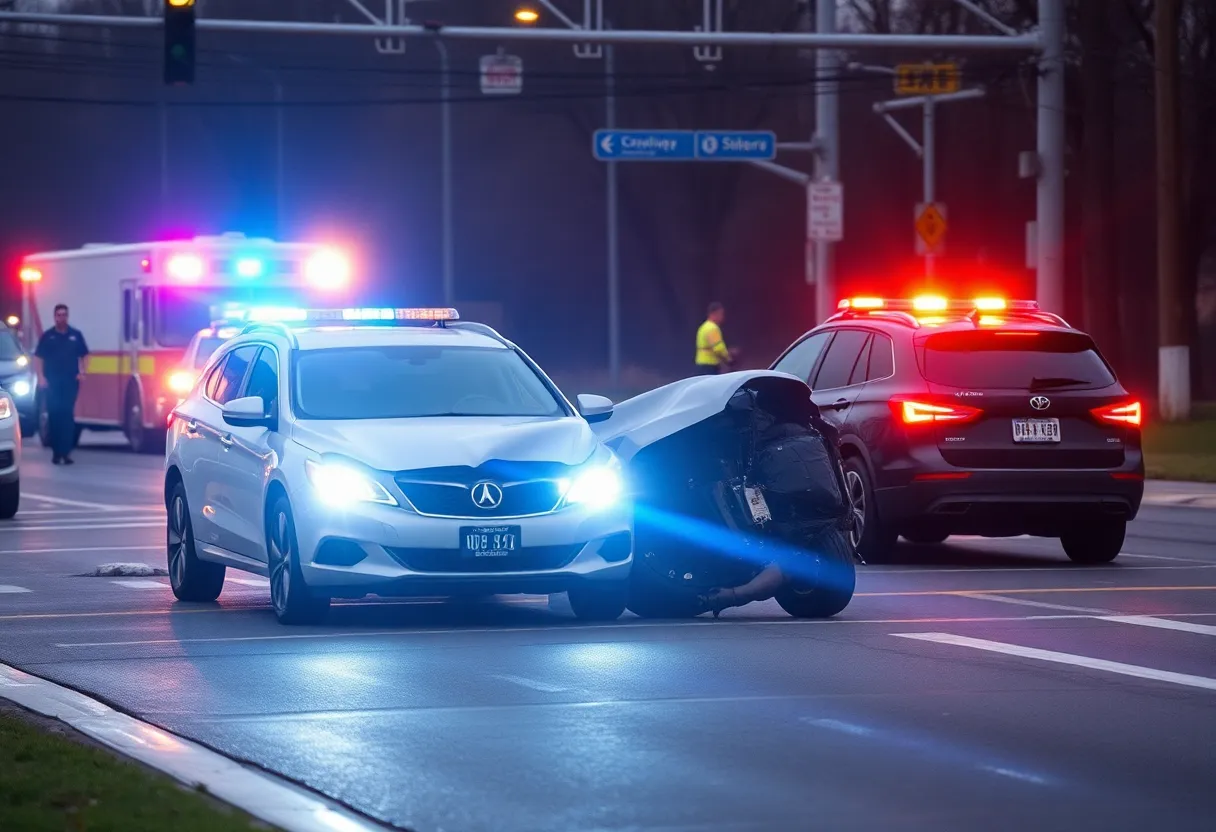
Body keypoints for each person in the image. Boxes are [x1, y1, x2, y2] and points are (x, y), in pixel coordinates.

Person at [35, 304, 89, 465]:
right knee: (54, 416)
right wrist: (41, 377)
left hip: (70, 382)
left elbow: (84, 355)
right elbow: (39, 358)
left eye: (64, 315)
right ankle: (56, 452)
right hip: (52, 383)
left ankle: (65, 452)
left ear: (67, 316)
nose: (61, 318)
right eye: (58, 315)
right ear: (54, 317)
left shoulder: (75, 335)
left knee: (67, 416)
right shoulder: (48, 336)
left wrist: (82, 371)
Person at [694, 301, 738, 375]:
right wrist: (729, 360)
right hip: (709, 365)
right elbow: (718, 348)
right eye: (721, 314)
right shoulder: (713, 328)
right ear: (715, 313)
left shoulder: (703, 327)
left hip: (701, 363)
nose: (722, 317)